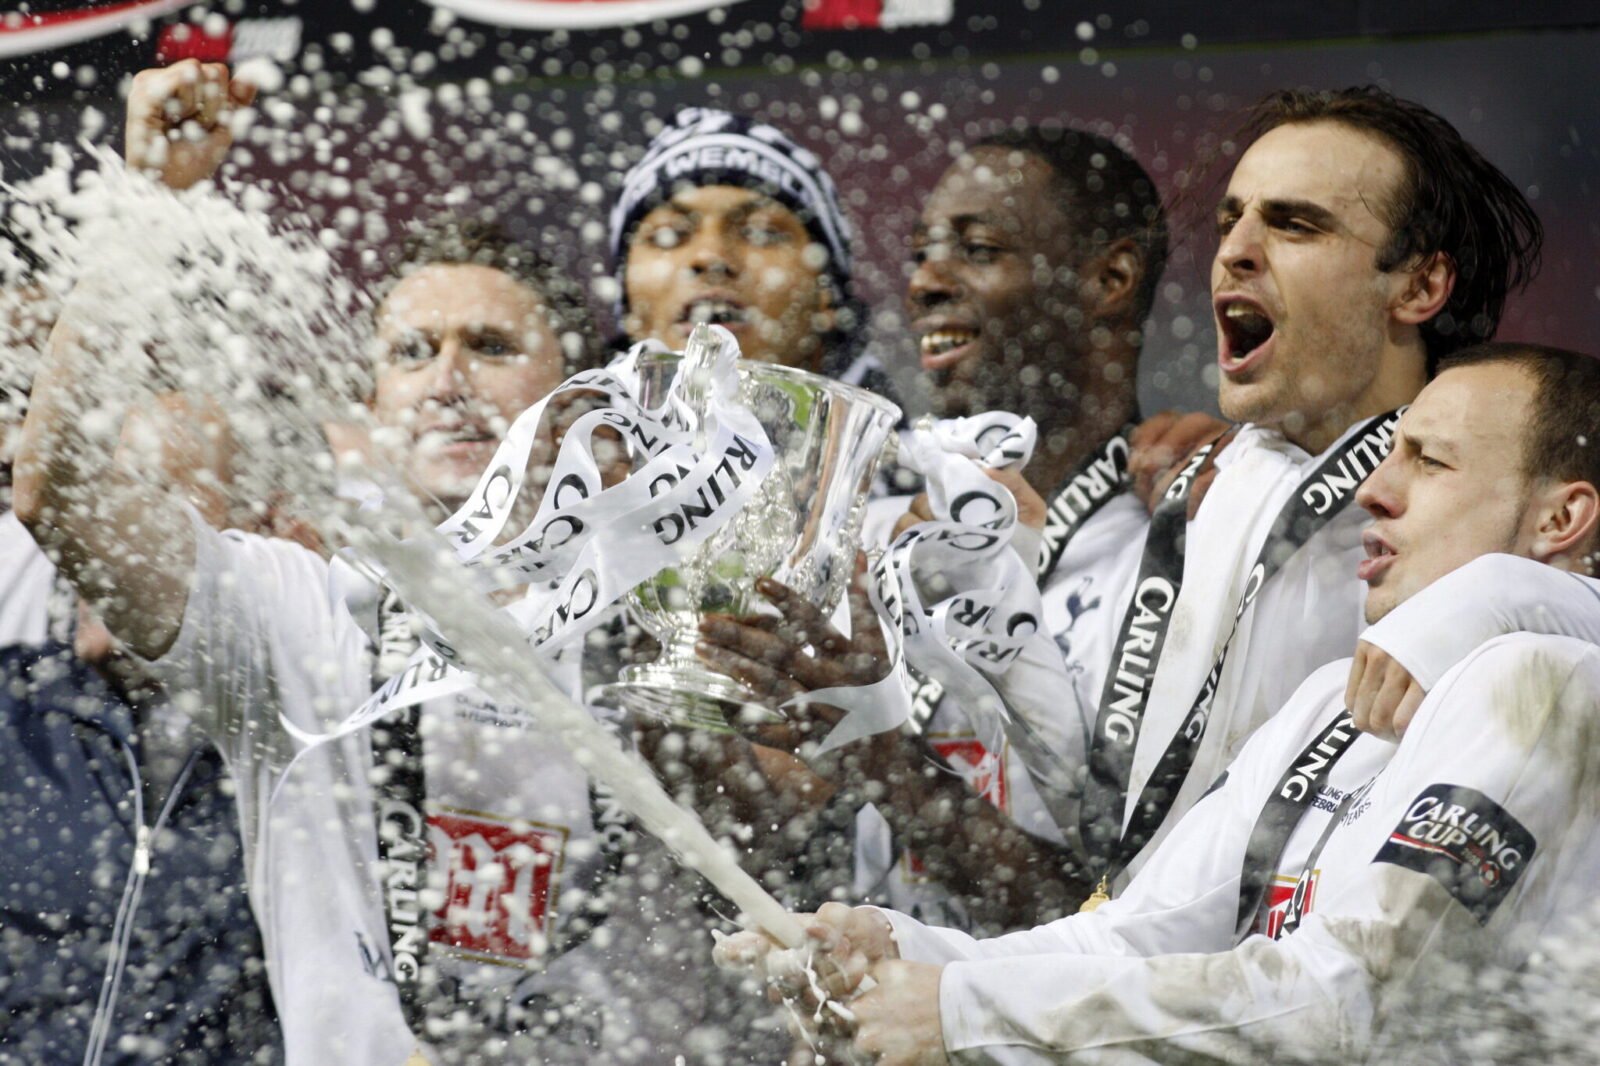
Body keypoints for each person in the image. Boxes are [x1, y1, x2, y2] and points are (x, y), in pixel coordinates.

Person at [16, 60, 706, 1065]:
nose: (447, 381)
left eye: (491, 345)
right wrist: (141, 204)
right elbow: (58, 491)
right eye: (411, 352)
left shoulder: (661, 612)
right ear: (370, 410)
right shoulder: (292, 613)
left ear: (576, 394)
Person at [719, 341, 1600, 1065]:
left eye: (1430, 461)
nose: (1376, 487)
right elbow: (1134, 940)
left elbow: (1355, 1005)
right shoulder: (1332, 703)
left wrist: (966, 1013)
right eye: (1393, 449)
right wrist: (899, 953)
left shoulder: (1547, 682)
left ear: (1562, 521)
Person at [608, 106, 902, 406]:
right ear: (628, 307)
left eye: (760, 232)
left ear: (826, 292)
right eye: (669, 235)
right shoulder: (569, 448)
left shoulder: (930, 451)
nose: (711, 256)